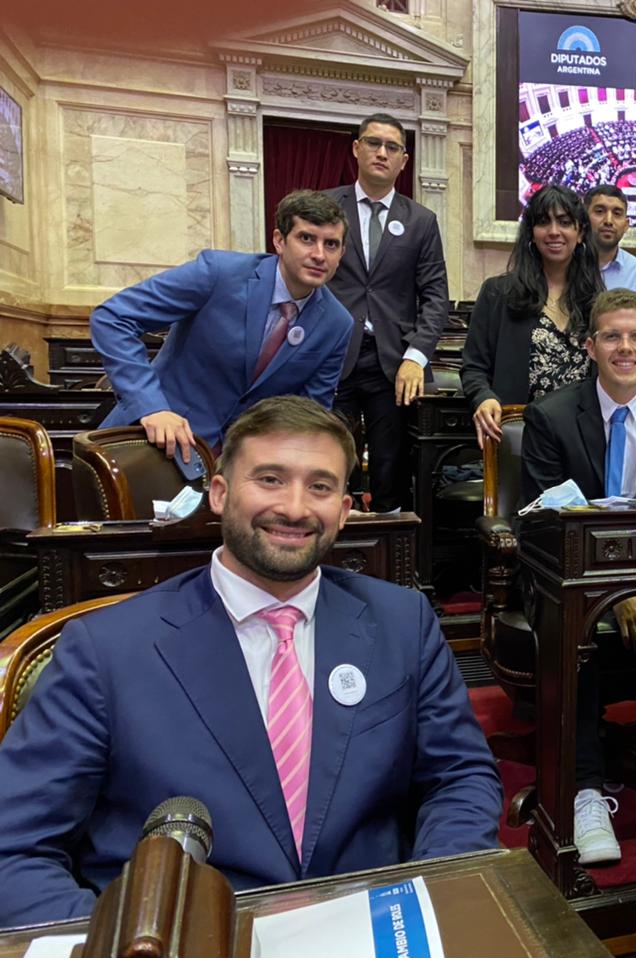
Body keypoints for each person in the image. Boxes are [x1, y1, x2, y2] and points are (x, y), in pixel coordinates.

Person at [0, 396, 502, 927]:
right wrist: (113, 942)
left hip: (373, 926)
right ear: (218, 494)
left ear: (346, 509)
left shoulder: (403, 621)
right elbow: (15, 847)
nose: (294, 507)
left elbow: (461, 777)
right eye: (269, 478)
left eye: (321, 486)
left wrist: (436, 901)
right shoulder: (106, 649)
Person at [520, 288, 636, 866]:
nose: (626, 348)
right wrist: (614, 596)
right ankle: (586, 790)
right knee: (581, 627)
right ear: (591, 346)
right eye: (613, 337)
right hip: (562, 575)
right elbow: (545, 520)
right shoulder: (550, 415)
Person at [92, 190, 354, 461]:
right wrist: (151, 407)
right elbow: (113, 317)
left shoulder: (337, 324)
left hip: (239, 471)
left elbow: (308, 415)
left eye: (331, 244)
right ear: (279, 240)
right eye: (306, 239)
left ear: (342, 253)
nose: (319, 255)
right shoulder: (218, 273)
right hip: (150, 446)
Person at [327, 112, 449, 513]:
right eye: (373, 143)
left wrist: (416, 356)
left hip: (395, 364)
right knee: (329, 462)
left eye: (392, 147)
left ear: (404, 160)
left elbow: (435, 296)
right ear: (356, 149)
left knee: (390, 468)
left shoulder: (421, 221)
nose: (382, 152)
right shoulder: (326, 207)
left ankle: (384, 554)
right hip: (332, 355)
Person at [461, 184, 602, 446]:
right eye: (543, 222)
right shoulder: (498, 293)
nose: (553, 232)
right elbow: (474, 368)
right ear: (531, 233)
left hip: (582, 439)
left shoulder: (597, 300)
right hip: (518, 437)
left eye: (564, 222)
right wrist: (484, 397)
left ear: (580, 233)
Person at [584, 184, 636, 312]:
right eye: (600, 211)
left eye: (617, 214)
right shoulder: (564, 264)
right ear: (584, 218)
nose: (608, 221)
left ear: (626, 225)